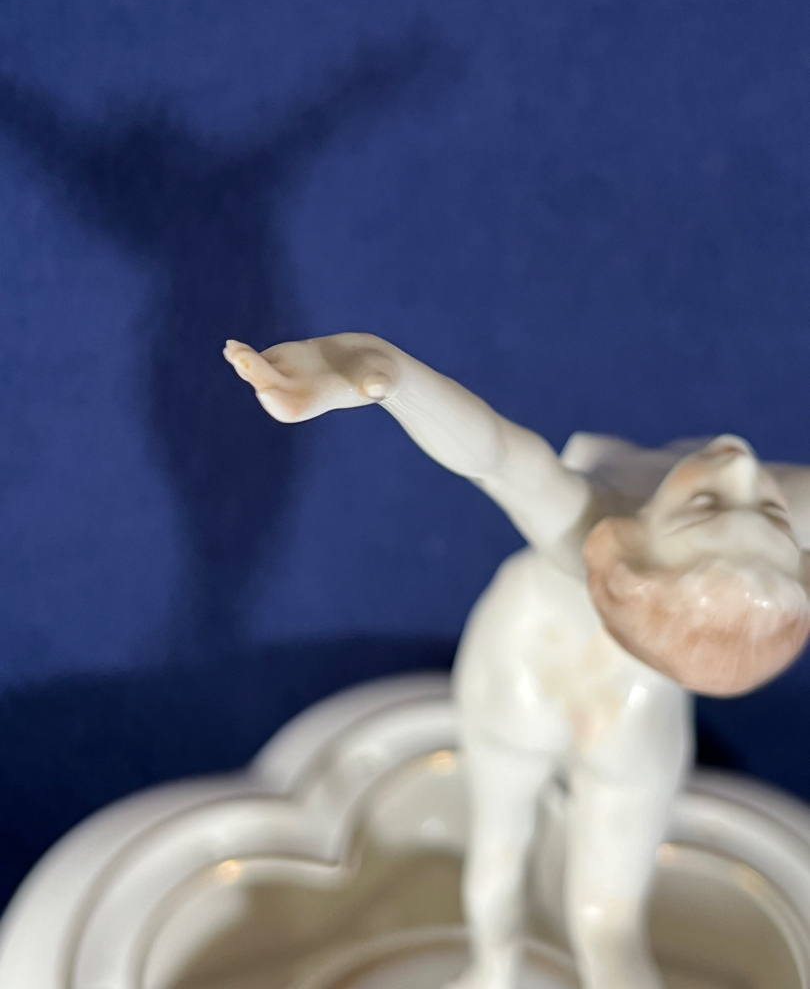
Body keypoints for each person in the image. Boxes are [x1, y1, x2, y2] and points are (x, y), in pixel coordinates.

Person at [224, 332, 810, 989]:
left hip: (540, 670)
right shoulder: (792, 521)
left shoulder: (586, 522)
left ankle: (494, 969)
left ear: (629, 549)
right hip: (597, 691)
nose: (742, 467)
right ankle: (495, 969)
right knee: (589, 907)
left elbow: (497, 455)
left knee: (540, 873)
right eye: (770, 512)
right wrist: (382, 375)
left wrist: (393, 379)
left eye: (707, 504)